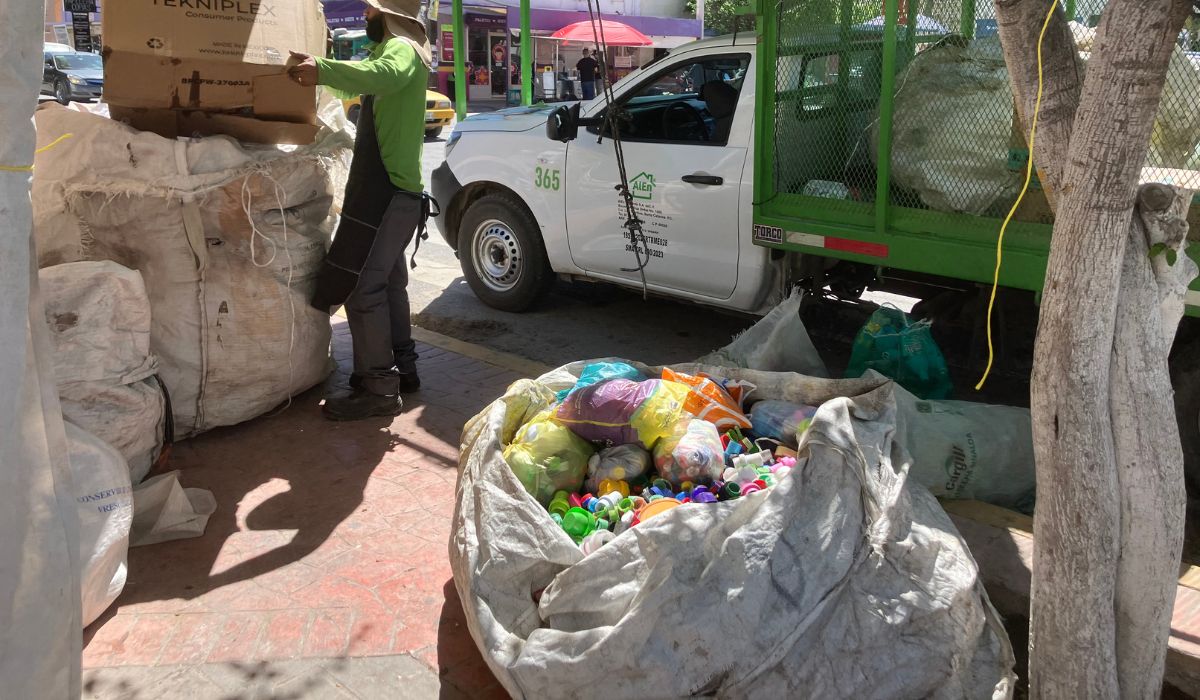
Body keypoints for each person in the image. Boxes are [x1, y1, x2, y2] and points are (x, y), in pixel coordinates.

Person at [288, 0, 433, 421]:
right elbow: (360, 82)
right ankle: (403, 370)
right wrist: (322, 69)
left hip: (389, 194)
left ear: (387, 14)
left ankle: (379, 388)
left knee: (363, 289)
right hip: (396, 194)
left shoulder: (402, 48)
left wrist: (324, 68)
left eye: (371, 10)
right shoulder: (393, 49)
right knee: (388, 284)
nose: (366, 15)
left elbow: (383, 77)